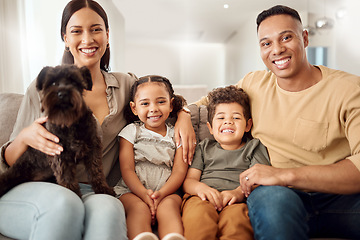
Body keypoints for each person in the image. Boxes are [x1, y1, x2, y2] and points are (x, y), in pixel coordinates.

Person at [0, 0, 195, 239]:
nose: (87, 39)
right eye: (76, 31)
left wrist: (184, 115)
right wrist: (25, 136)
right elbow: (10, 158)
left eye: (95, 29)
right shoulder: (42, 87)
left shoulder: (125, 85)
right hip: (43, 185)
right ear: (65, 38)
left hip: (94, 189)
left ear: (107, 35)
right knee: (64, 204)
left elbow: (158, 101)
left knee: (110, 210)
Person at [194, 5, 360, 240]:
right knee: (273, 204)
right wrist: (181, 115)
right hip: (278, 196)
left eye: (286, 37)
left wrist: (286, 175)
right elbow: (205, 104)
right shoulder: (253, 83)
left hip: (342, 197)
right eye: (266, 43)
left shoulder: (349, 89)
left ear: (304, 38)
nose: (277, 50)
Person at [182, 86, 270, 240]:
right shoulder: (204, 147)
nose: (228, 122)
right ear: (210, 127)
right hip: (201, 198)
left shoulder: (254, 147)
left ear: (248, 125)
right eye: (221, 118)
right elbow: (189, 181)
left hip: (236, 200)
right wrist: (201, 189)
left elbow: (260, 179)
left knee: (237, 224)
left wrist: (237, 193)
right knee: (198, 220)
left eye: (236, 117)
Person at [114, 75, 188, 240]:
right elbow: (127, 168)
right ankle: (142, 236)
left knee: (169, 208)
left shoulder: (177, 134)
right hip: (132, 190)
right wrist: (144, 194)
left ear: (171, 104)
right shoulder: (131, 131)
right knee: (138, 209)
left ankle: (173, 236)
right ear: (134, 108)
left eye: (161, 102)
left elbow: (179, 170)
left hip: (167, 191)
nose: (153, 108)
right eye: (145, 104)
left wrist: (161, 194)